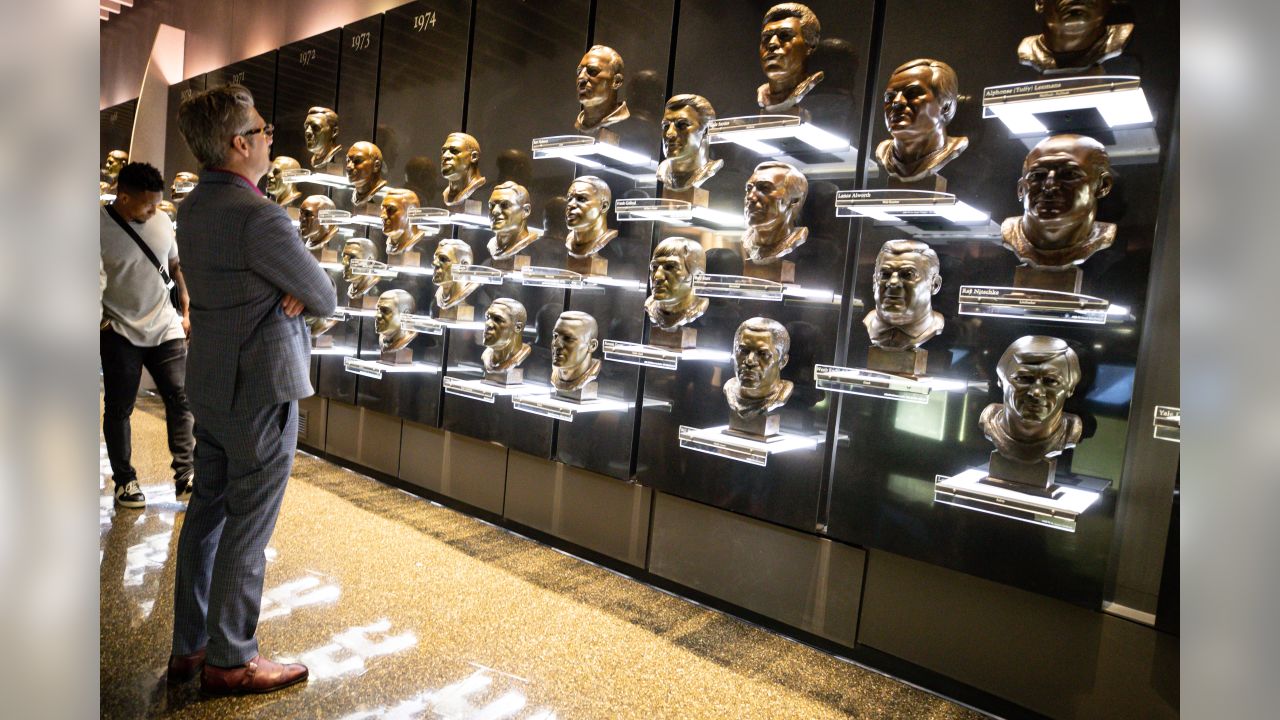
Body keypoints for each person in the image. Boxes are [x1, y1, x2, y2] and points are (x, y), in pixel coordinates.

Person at [168, 84, 336, 695]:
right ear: (240, 144)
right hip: (261, 389)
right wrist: (291, 293)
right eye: (264, 131)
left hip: (210, 380)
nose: (270, 140)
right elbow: (325, 296)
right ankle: (231, 659)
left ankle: (189, 647)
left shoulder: (194, 208)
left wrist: (284, 289)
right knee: (248, 526)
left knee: (207, 514)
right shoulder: (259, 215)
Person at [100, 161, 194, 509]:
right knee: (120, 407)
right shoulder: (95, 227)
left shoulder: (160, 220)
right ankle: (125, 480)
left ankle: (186, 476)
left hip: (165, 326)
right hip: (120, 330)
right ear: (123, 197)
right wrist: (102, 326)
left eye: (157, 204)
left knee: (181, 396)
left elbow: (173, 265)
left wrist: (185, 307)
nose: (154, 211)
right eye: (147, 205)